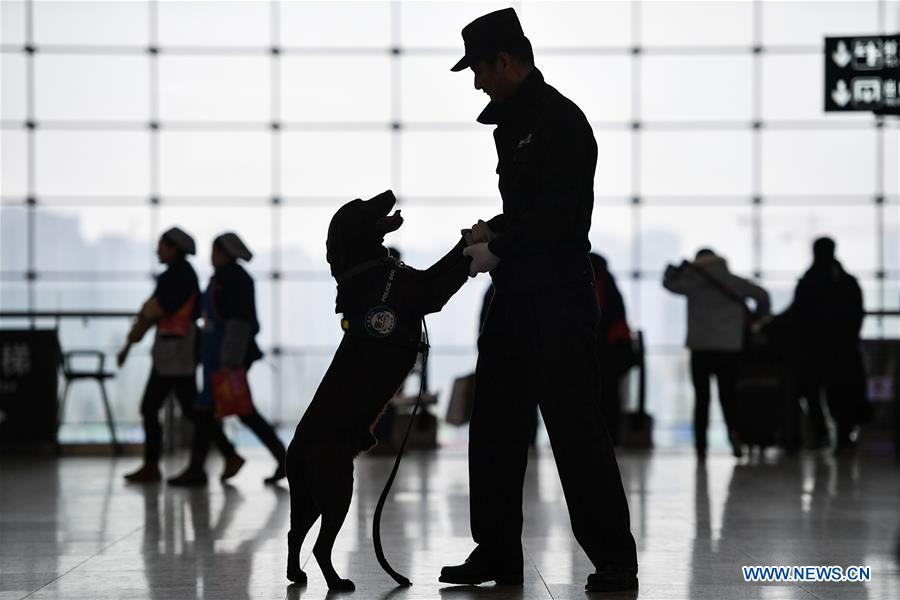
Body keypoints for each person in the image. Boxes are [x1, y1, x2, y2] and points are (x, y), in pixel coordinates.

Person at [440, 8, 638, 593]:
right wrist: (491, 231)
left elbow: (558, 218)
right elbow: (528, 212)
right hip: (515, 293)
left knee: (574, 427)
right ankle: (497, 551)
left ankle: (614, 559)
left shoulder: (562, 122)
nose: (476, 81)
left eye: (478, 68)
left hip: (556, 295)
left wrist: (500, 244)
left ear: (506, 60)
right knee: (495, 423)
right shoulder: (511, 124)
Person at [171, 233, 287, 486]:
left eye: (214, 251)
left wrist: (229, 361)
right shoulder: (225, 277)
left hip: (226, 357)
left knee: (223, 411)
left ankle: (198, 469)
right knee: (229, 411)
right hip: (217, 355)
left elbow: (240, 322)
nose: (212, 257)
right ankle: (281, 458)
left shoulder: (234, 279)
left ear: (224, 252)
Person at [119, 227, 225, 483]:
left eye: (162, 246)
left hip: (176, 353)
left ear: (174, 248)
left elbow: (150, 312)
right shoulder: (183, 275)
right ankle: (227, 453)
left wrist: (128, 344)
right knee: (186, 408)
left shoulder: (175, 277)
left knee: (172, 408)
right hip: (176, 352)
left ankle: (154, 465)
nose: (158, 250)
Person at [663, 248, 771, 459]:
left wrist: (676, 270)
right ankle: (735, 436)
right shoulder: (733, 281)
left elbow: (669, 284)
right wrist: (759, 318)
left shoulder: (692, 282)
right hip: (729, 348)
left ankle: (701, 447)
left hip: (700, 348)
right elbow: (762, 295)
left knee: (701, 399)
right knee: (729, 397)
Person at [791, 237, 868, 455]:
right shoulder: (847, 281)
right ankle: (843, 436)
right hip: (843, 348)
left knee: (812, 392)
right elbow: (856, 315)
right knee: (841, 394)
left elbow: (798, 315)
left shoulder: (808, 281)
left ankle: (822, 432)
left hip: (814, 349)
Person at [590, 253, 634, 446]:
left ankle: (594, 436)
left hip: (599, 351)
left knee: (593, 395)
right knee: (610, 397)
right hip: (613, 353)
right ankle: (611, 436)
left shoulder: (589, 284)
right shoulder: (608, 284)